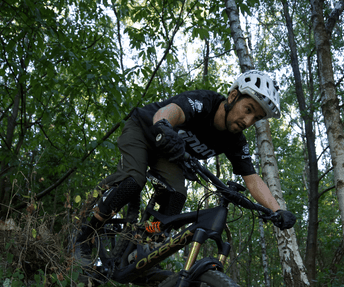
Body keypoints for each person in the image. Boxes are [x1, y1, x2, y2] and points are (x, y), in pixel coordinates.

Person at [74, 70, 296, 267]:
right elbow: (172, 111)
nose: (248, 120)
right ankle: (85, 235)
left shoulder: (235, 140)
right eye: (247, 109)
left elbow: (252, 178)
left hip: (168, 153)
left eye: (255, 118)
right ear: (233, 96)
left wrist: (277, 210)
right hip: (144, 130)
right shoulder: (204, 102)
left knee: (176, 198)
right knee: (133, 180)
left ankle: (145, 246)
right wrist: (163, 125)